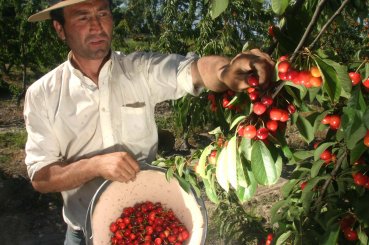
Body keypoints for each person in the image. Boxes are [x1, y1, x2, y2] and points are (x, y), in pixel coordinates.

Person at [24, 0, 275, 244]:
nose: (96, 26)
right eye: (82, 17)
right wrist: (94, 166)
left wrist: (226, 72)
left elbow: (194, 70)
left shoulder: (139, 70)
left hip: (148, 220)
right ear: (60, 28)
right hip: (82, 232)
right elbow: (41, 177)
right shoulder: (43, 94)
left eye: (102, 14)